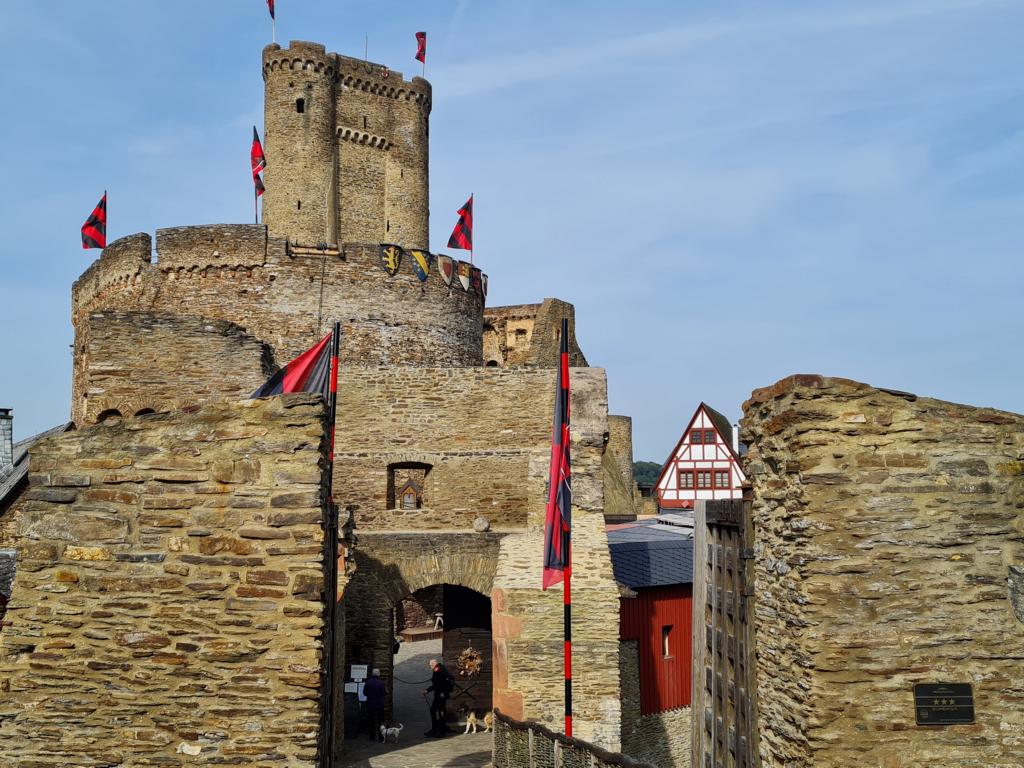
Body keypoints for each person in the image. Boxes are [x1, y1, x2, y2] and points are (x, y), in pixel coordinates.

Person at [423, 658, 454, 737]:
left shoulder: (439, 671)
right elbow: (437, 684)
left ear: (434, 664)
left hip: (440, 695)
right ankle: (441, 728)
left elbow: (440, 684)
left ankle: (436, 730)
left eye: (431, 665)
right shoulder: (440, 669)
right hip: (441, 694)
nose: (430, 666)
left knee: (433, 710)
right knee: (440, 711)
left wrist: (441, 693)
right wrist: (427, 690)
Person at [363, 668, 386, 742]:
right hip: (379, 704)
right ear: (378, 674)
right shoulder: (381, 683)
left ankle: (372, 736)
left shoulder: (368, 682)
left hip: (370, 703)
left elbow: (365, 693)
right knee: (380, 720)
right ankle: (381, 736)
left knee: (371, 720)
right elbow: (383, 693)